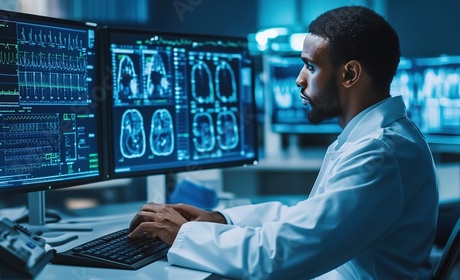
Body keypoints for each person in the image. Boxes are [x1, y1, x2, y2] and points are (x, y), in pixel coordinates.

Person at [128, 5, 439, 279]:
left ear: (350, 74)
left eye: (311, 66)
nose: (299, 79)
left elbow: (275, 259)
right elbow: (306, 219)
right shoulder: (376, 139)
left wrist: (185, 234)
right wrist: (223, 219)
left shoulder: (378, 154)